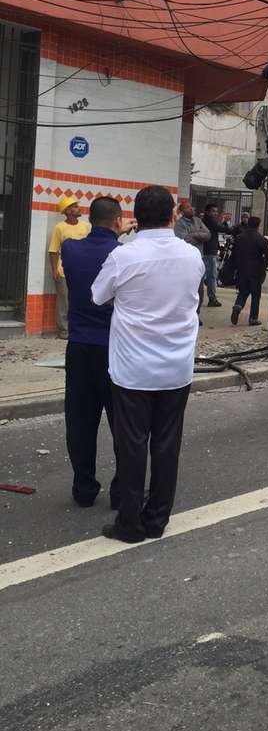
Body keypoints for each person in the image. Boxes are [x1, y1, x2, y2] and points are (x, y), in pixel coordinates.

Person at [92, 185, 204, 544]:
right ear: (173, 215)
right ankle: (156, 519)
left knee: (132, 445)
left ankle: (129, 524)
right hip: (176, 368)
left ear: (136, 218)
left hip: (133, 370)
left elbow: (98, 296)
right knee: (167, 444)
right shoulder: (191, 256)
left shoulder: (124, 255)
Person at [60, 197, 136, 508]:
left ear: (90, 220)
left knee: (80, 421)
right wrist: (118, 238)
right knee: (123, 423)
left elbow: (87, 253)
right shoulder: (123, 255)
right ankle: (121, 492)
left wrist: (113, 234)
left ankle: (83, 488)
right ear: (119, 222)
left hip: (78, 347)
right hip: (114, 349)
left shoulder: (71, 248)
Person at [48, 197, 89, 338]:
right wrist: (54, 270)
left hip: (82, 270)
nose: (79, 208)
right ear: (68, 211)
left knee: (80, 300)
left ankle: (78, 328)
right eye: (75, 206)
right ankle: (64, 331)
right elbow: (53, 250)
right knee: (64, 302)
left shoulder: (85, 226)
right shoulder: (60, 227)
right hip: (63, 271)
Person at [230, 216, 268, 326]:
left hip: (241, 268)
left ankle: (238, 306)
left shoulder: (239, 237)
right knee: (255, 294)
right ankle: (253, 318)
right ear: (258, 225)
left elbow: (234, 253)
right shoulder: (261, 239)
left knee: (243, 291)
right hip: (256, 270)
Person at [201, 202, 232, 307]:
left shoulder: (204, 220)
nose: (215, 213)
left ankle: (209, 296)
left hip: (207, 250)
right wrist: (226, 223)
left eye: (216, 212)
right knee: (212, 276)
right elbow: (224, 229)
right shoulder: (210, 221)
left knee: (206, 275)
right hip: (209, 252)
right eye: (213, 211)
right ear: (207, 212)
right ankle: (212, 298)